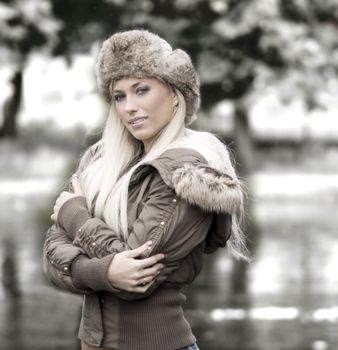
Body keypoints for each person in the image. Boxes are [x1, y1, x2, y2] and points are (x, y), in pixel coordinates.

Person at [43, 29, 248, 350]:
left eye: (142, 90)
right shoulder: (99, 162)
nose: (129, 107)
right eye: (119, 96)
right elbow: (52, 258)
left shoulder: (186, 175)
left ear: (176, 94)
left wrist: (75, 217)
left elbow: (135, 278)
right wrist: (102, 271)